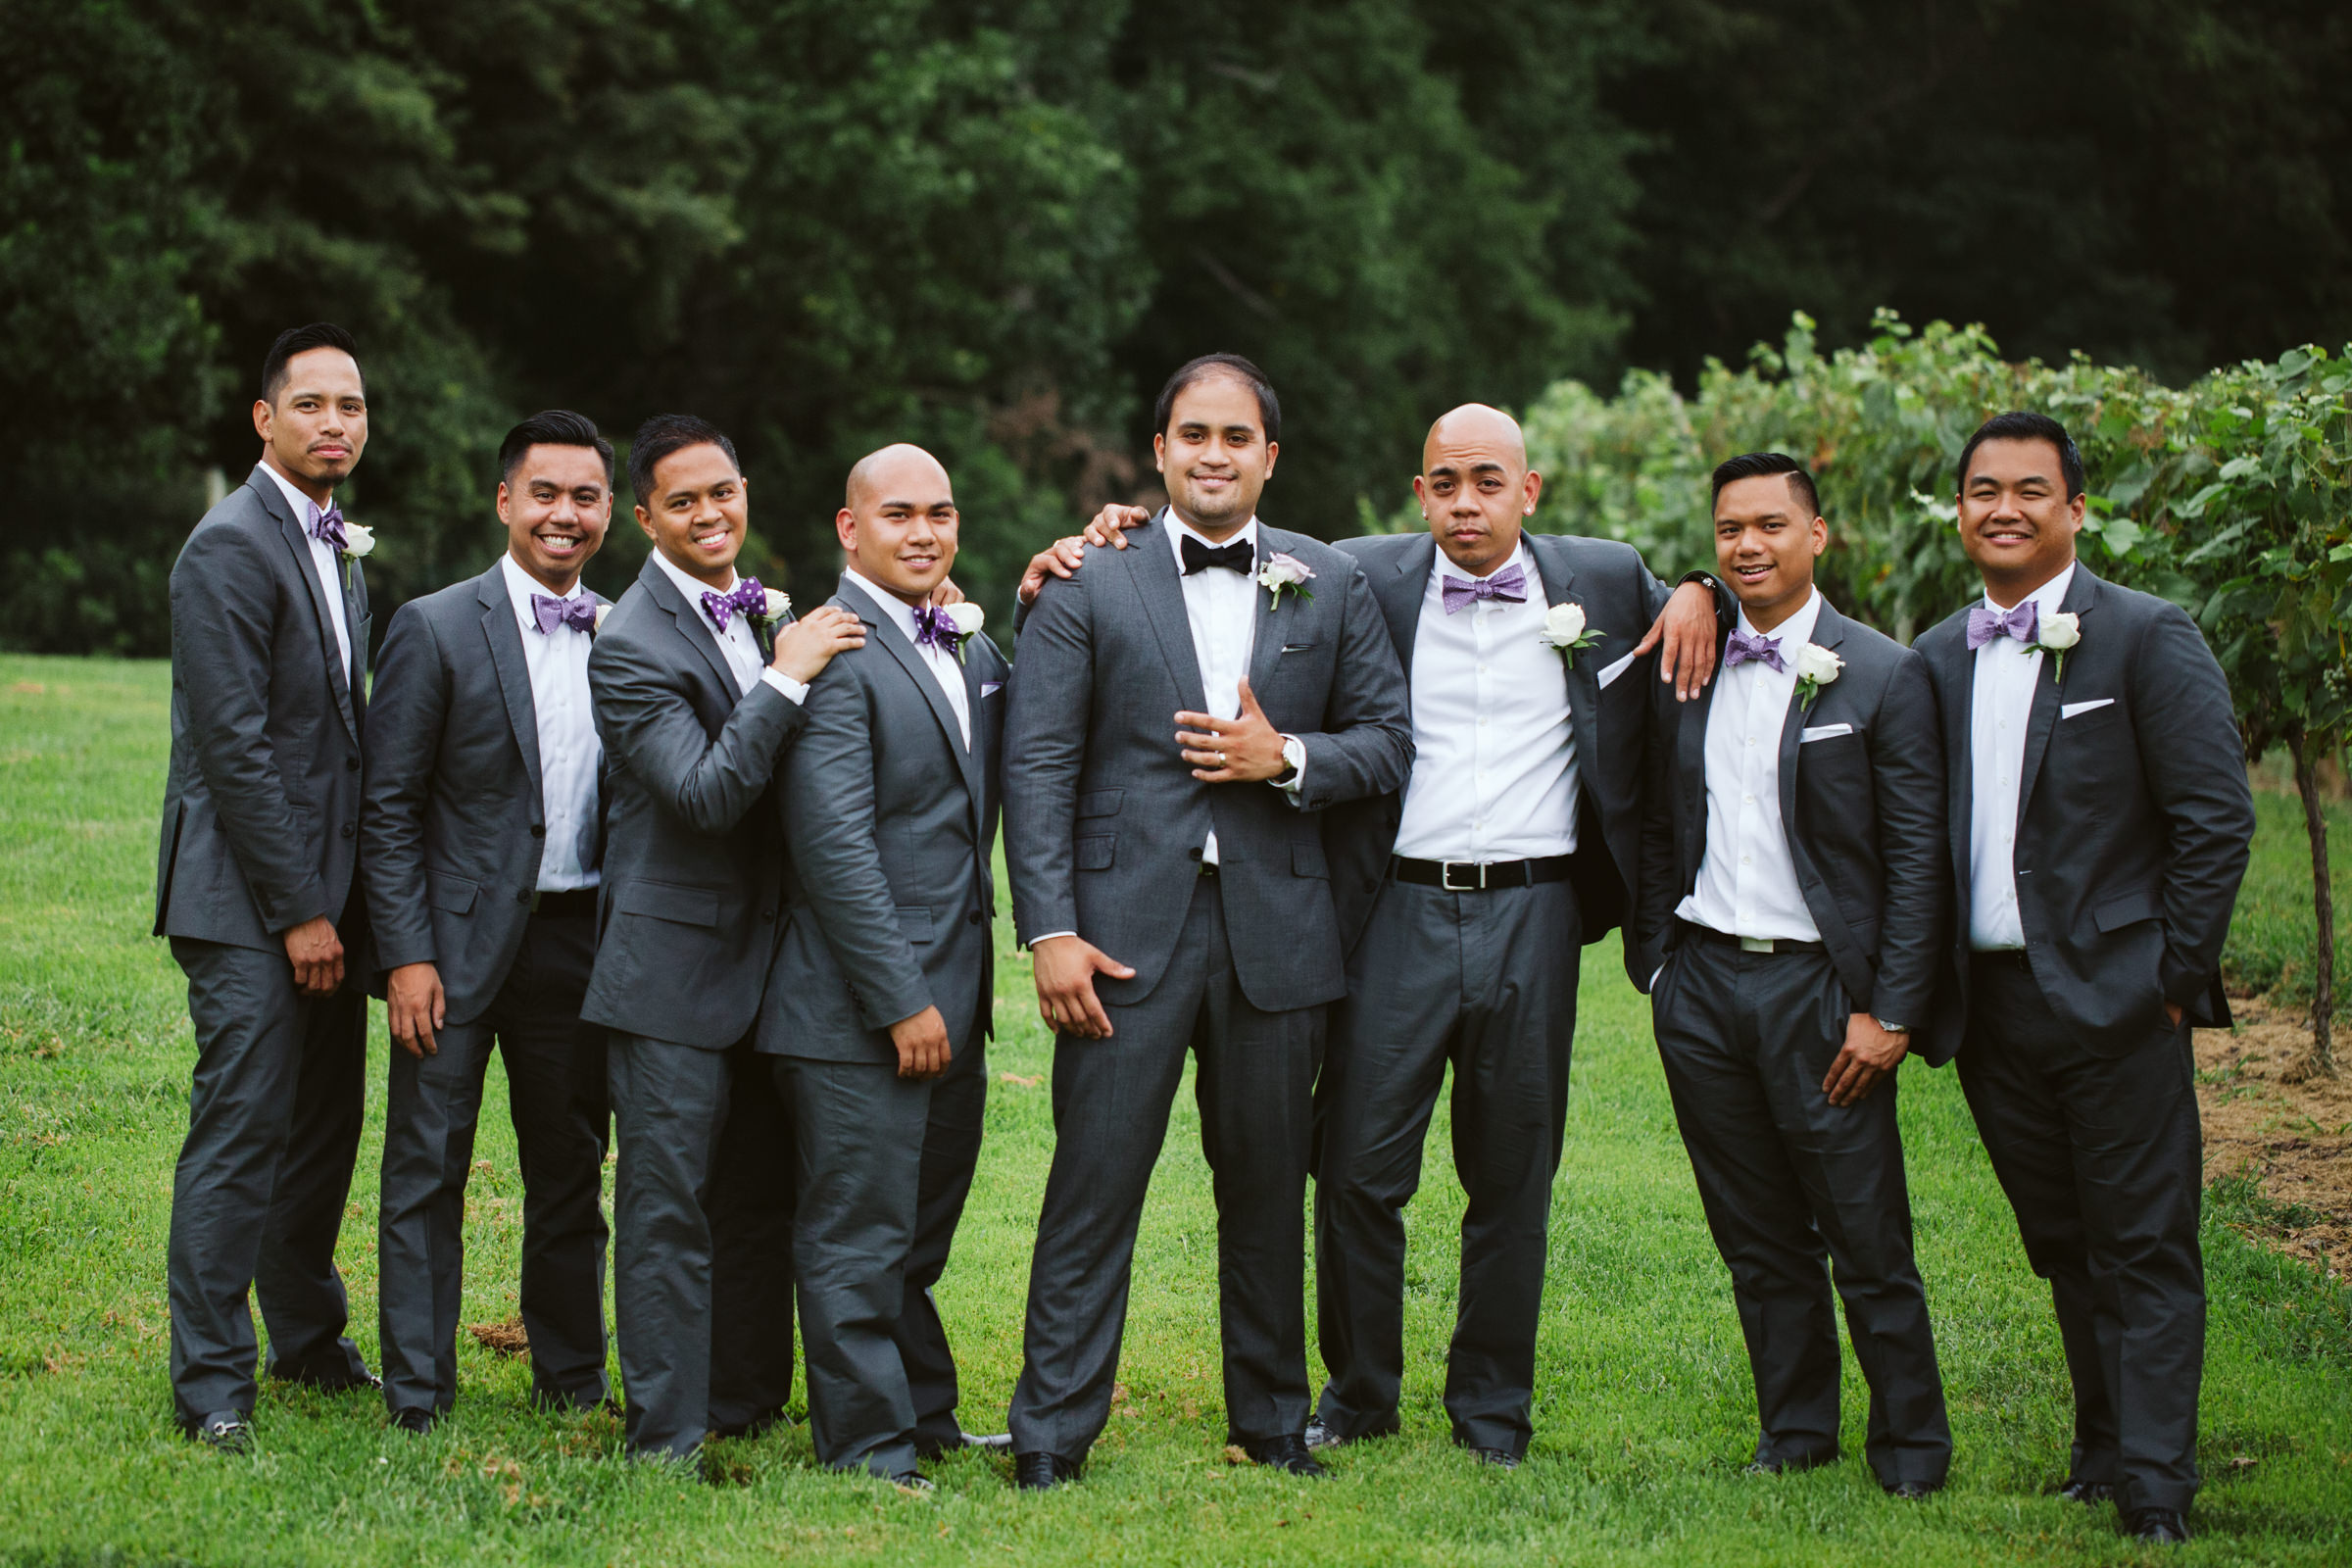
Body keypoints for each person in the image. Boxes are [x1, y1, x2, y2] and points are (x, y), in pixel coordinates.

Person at [1020, 406, 1724, 1468]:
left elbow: (1715, 588)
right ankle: (1352, 1394)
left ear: (1527, 492)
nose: (1466, 503)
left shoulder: (1604, 577)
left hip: (1532, 908)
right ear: (1418, 491)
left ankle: (1487, 1410)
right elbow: (1167, 585)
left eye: (1489, 482)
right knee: (1348, 1171)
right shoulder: (1361, 576)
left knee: (1510, 1172)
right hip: (1386, 908)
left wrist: (1705, 592)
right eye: (1445, 482)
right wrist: (1079, 545)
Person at [1001, 354, 1414, 1488]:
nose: (1215, 455)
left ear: (1269, 456)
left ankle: (1274, 1420)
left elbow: (1386, 742)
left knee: (1271, 1187)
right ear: (1160, 451)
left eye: (1237, 437)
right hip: (1121, 938)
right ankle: (1051, 1433)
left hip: (1279, 933)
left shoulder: (1329, 580)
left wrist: (1283, 756)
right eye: (1194, 435)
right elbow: (1035, 762)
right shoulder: (1089, 573)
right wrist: (1050, 931)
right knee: (1093, 1183)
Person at [1915, 412, 2254, 1544]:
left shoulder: (2147, 637)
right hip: (1994, 1007)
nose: (2001, 508)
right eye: (1980, 490)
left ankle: (2157, 1486)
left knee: (2145, 1242)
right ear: (1958, 510)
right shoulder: (1935, 653)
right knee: (2062, 1242)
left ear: (2075, 507)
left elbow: (2216, 818)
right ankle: (2102, 1452)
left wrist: (2170, 975)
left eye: (2027, 489)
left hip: (2117, 994)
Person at [1634, 452, 1952, 1496]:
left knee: (1865, 1231)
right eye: (1730, 529)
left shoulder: (1882, 671)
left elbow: (1915, 861)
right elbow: (1645, 805)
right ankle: (1797, 1429)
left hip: (1822, 991)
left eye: (1772, 524)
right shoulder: (1690, 654)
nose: (1749, 546)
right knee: (1756, 1232)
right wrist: (1660, 965)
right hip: (1703, 983)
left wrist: (1889, 1008)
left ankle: (1910, 1448)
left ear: (1820, 536)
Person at [584, 414, 864, 1464]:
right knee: (668, 1211)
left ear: (745, 489)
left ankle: (744, 1395)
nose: (710, 513)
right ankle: (664, 1433)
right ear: (644, 518)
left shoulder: (761, 610)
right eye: (683, 500)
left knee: (759, 1197)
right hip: (669, 972)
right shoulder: (628, 645)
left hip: (775, 970)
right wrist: (784, 676)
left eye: (723, 492)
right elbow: (704, 795)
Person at [362, 411, 620, 1431]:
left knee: (570, 1168)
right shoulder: (432, 626)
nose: (565, 514)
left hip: (578, 939)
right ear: (506, 500)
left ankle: (570, 1376)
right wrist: (407, 955)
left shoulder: (624, 629)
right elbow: (387, 808)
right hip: (453, 943)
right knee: (426, 1166)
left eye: (586, 496)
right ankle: (419, 1392)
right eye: (545, 493)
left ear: (610, 512)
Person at [760, 444, 1008, 1486]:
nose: (922, 531)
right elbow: (834, 850)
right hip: (857, 1009)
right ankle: (866, 1446)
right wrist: (899, 998)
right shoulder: (834, 656)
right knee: (858, 1236)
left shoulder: (966, 647)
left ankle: (924, 1414)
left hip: (958, 995)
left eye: (940, 513)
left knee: (918, 1232)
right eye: (898, 513)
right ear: (848, 529)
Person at [153, 322, 381, 1449]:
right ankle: (209, 1384)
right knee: (243, 1130)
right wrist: (298, 911)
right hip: (250, 900)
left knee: (323, 1127)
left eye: (350, 405)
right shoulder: (229, 545)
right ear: (265, 419)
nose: (334, 422)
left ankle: (305, 1336)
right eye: (311, 405)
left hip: (331, 903)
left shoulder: (335, 544)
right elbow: (235, 747)